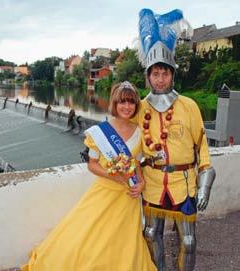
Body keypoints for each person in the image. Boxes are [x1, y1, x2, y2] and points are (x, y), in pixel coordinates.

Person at [21, 81, 157, 271]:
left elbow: (136, 164)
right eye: (122, 102)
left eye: (131, 102)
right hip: (104, 192)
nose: (127, 107)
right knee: (90, 237)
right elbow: (92, 165)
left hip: (129, 197)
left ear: (136, 105)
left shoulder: (140, 133)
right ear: (114, 104)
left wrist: (141, 183)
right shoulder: (100, 133)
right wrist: (113, 175)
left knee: (123, 241)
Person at [133, 8, 216, 271]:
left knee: (189, 241)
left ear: (172, 74)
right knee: (150, 235)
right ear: (148, 76)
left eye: (165, 73)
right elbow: (125, 139)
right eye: (155, 74)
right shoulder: (139, 108)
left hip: (184, 185)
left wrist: (205, 185)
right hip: (153, 185)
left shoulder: (189, 105)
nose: (160, 79)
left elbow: (202, 148)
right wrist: (96, 150)